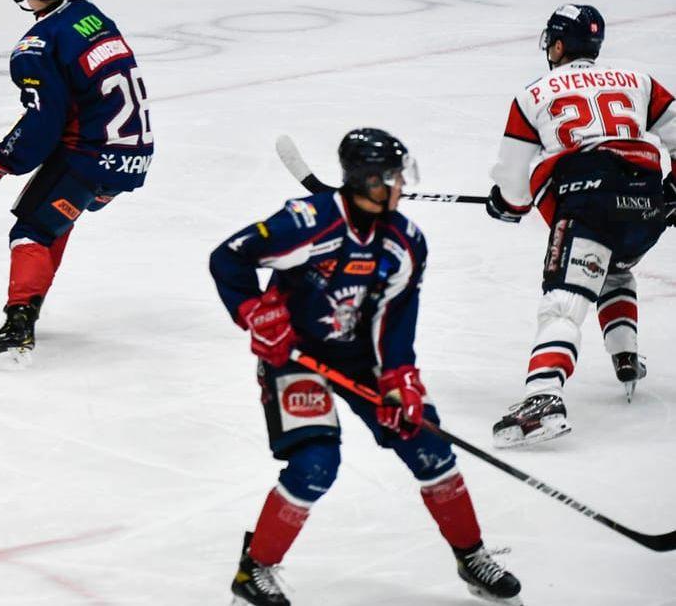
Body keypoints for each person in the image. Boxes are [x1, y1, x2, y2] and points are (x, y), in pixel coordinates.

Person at [210, 129, 521, 606]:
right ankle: (254, 571)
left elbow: (395, 321)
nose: (401, 185)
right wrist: (254, 312)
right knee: (315, 464)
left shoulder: (405, 242)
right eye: (392, 177)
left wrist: (399, 380)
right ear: (367, 181)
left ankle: (471, 556)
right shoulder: (307, 223)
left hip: (359, 355)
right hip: (294, 354)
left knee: (428, 446)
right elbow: (229, 257)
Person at [0, 0, 153, 366]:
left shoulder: (35, 46)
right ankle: (29, 307)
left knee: (31, 230)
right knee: (52, 220)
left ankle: (18, 326)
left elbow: (44, 125)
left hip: (90, 155)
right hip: (133, 153)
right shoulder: (88, 14)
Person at [484, 4, 675, 447]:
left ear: (557, 45)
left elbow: (514, 180)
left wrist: (506, 205)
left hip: (590, 202)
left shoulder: (534, 94)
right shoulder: (638, 80)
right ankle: (625, 355)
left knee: (564, 303)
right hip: (646, 205)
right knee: (614, 267)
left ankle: (543, 397)